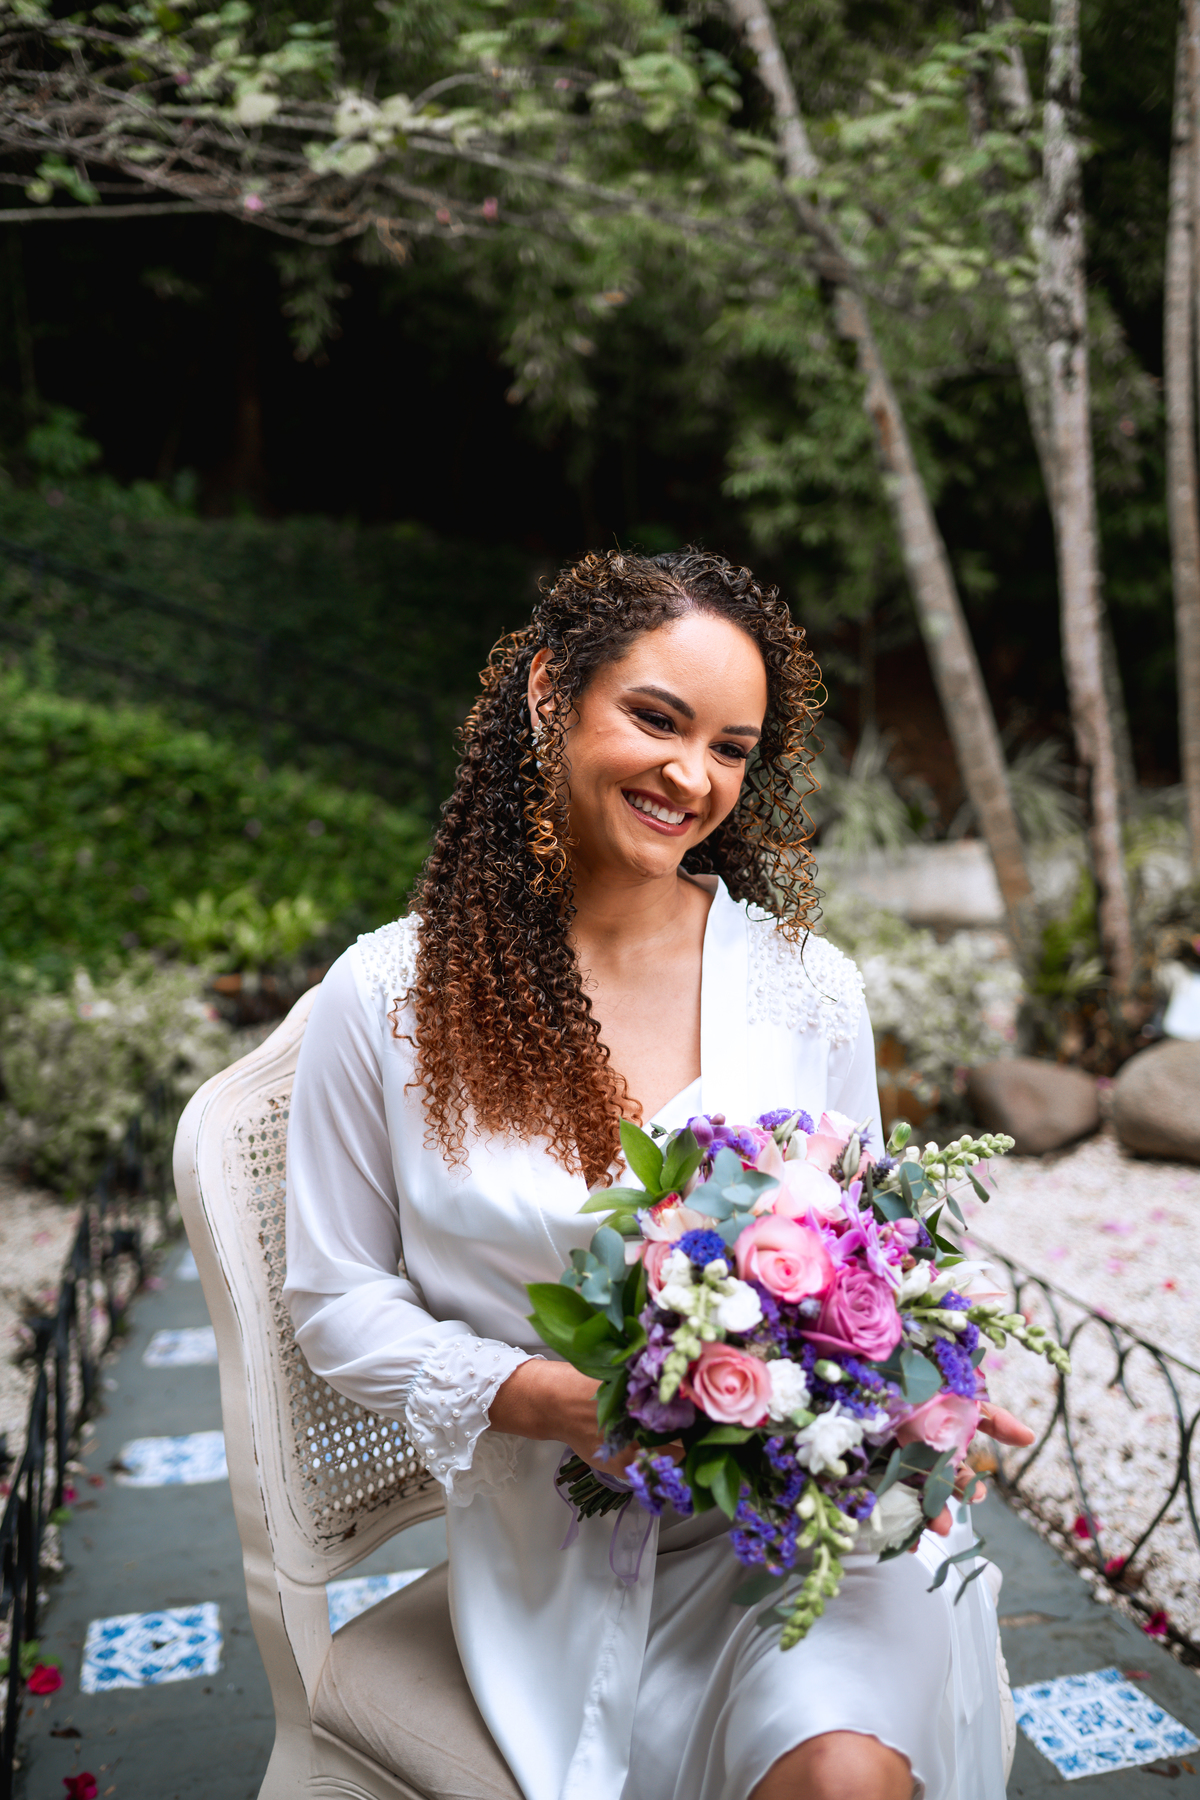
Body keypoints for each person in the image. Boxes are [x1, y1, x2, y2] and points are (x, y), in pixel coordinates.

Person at [284, 548, 1031, 1800]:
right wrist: (552, 1399)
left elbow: (872, 1247)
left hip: (804, 1523)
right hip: (561, 1549)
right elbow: (335, 1299)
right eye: (657, 718)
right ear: (548, 694)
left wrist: (918, 1393)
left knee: (843, 1767)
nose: (694, 776)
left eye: (732, 748)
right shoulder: (391, 999)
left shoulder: (808, 989)